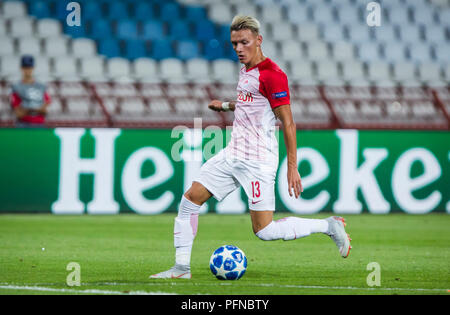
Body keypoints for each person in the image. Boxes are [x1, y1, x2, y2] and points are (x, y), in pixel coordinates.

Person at [150, 16, 351, 279]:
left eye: (244, 42)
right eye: (234, 44)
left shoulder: (273, 75)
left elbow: (288, 123)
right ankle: (181, 268)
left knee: (264, 231)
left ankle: (328, 226)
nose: (238, 49)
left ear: (259, 40)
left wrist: (292, 167)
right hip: (233, 153)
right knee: (189, 201)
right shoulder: (246, 69)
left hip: (258, 160)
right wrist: (224, 106)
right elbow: (251, 103)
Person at [10, 55, 51, 127]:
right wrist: (37, 108)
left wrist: (27, 108)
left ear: (33, 68)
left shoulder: (41, 86)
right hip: (23, 125)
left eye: (29, 67)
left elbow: (45, 111)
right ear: (21, 68)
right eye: (25, 67)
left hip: (39, 125)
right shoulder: (16, 87)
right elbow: (19, 114)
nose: (27, 70)